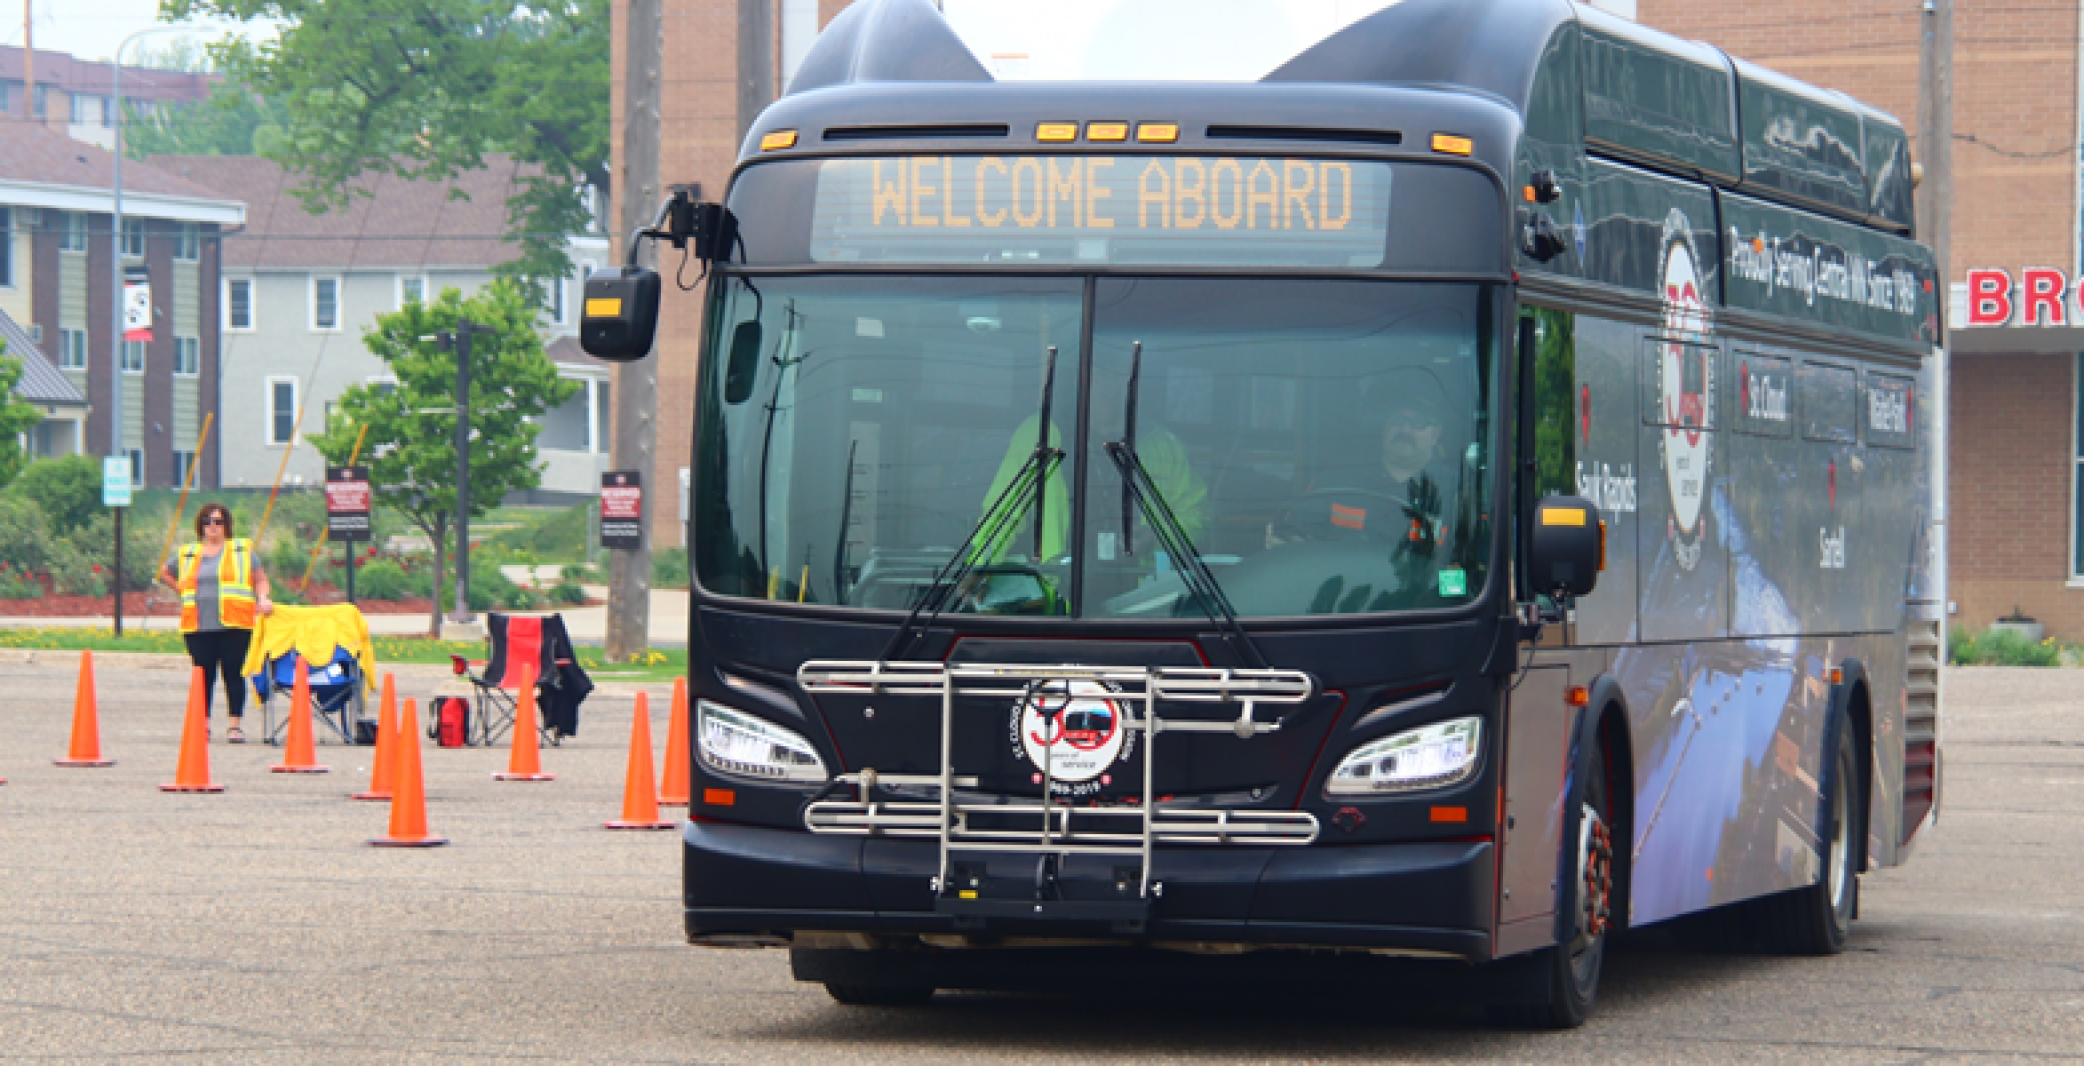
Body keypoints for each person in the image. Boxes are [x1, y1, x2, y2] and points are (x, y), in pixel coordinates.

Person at [158, 503, 274, 742]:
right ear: (200, 526)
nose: (212, 526)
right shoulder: (188, 553)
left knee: (233, 672)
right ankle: (203, 724)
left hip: (235, 624)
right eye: (206, 521)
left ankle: (235, 725)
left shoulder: (241, 550)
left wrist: (263, 598)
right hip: (198, 624)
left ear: (226, 525)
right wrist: (181, 589)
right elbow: (165, 572)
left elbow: (260, 579)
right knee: (203, 674)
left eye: (218, 521)